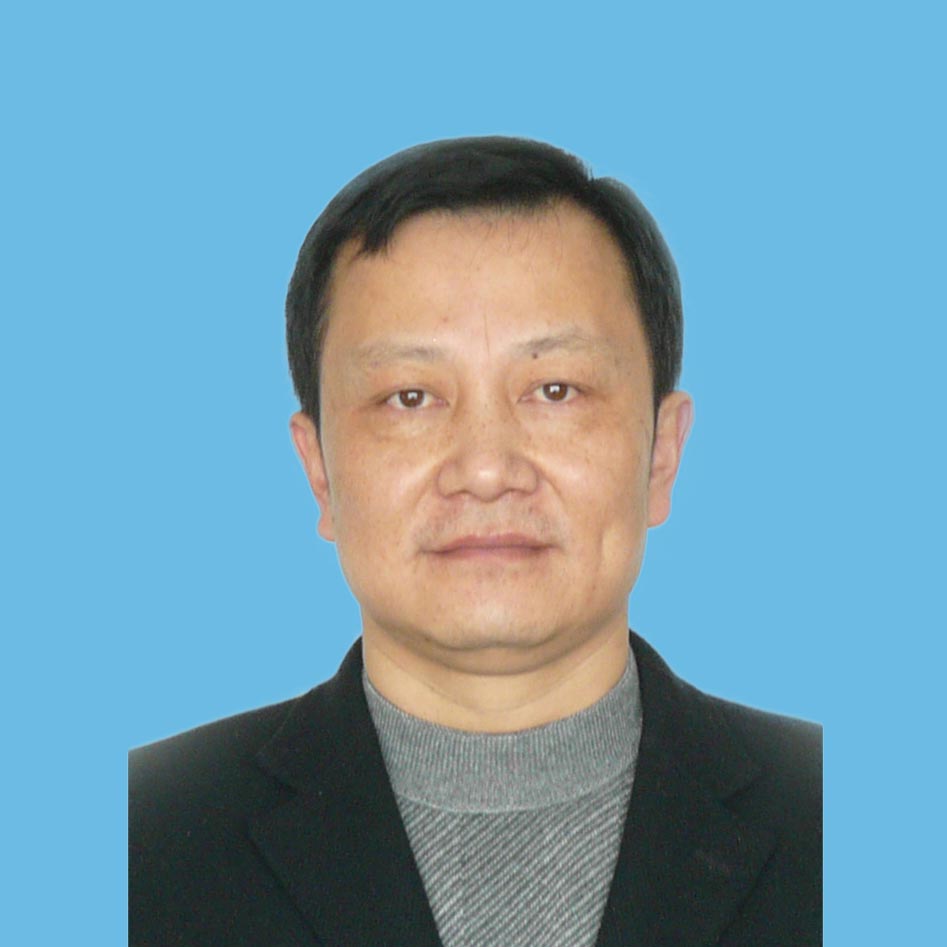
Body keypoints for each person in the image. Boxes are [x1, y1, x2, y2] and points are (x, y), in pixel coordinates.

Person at [129, 137, 822, 946]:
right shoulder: (135, 839)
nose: (487, 470)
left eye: (555, 389)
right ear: (318, 470)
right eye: (409, 396)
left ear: (661, 454)